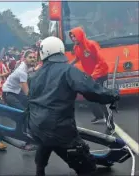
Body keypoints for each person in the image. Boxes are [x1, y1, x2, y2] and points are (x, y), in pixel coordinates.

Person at [28, 36, 119, 176]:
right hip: (60, 129)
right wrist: (112, 95)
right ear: (60, 50)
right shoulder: (68, 70)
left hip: (36, 125)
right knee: (87, 167)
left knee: (45, 141)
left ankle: (39, 171)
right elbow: (91, 90)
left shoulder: (34, 75)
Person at [69, 27, 110, 124]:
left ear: (80, 35)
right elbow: (78, 57)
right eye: (71, 37)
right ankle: (99, 116)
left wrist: (93, 75)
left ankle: (108, 118)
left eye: (74, 36)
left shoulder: (91, 44)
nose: (73, 39)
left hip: (101, 73)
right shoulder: (76, 47)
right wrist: (68, 65)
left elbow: (101, 61)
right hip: (91, 74)